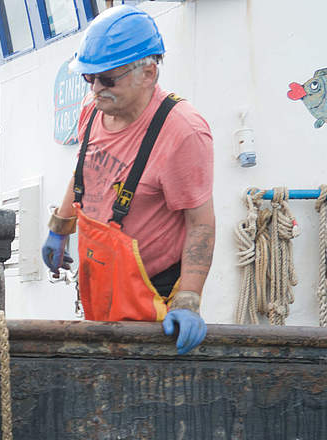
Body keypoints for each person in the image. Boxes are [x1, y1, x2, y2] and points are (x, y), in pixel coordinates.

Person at [42, 6, 213, 354]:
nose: (95, 89)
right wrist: (59, 228)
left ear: (148, 73)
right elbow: (84, 169)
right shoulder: (93, 108)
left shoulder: (182, 132)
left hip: (148, 294)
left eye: (107, 79)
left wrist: (188, 300)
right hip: (100, 280)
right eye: (88, 79)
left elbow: (201, 223)